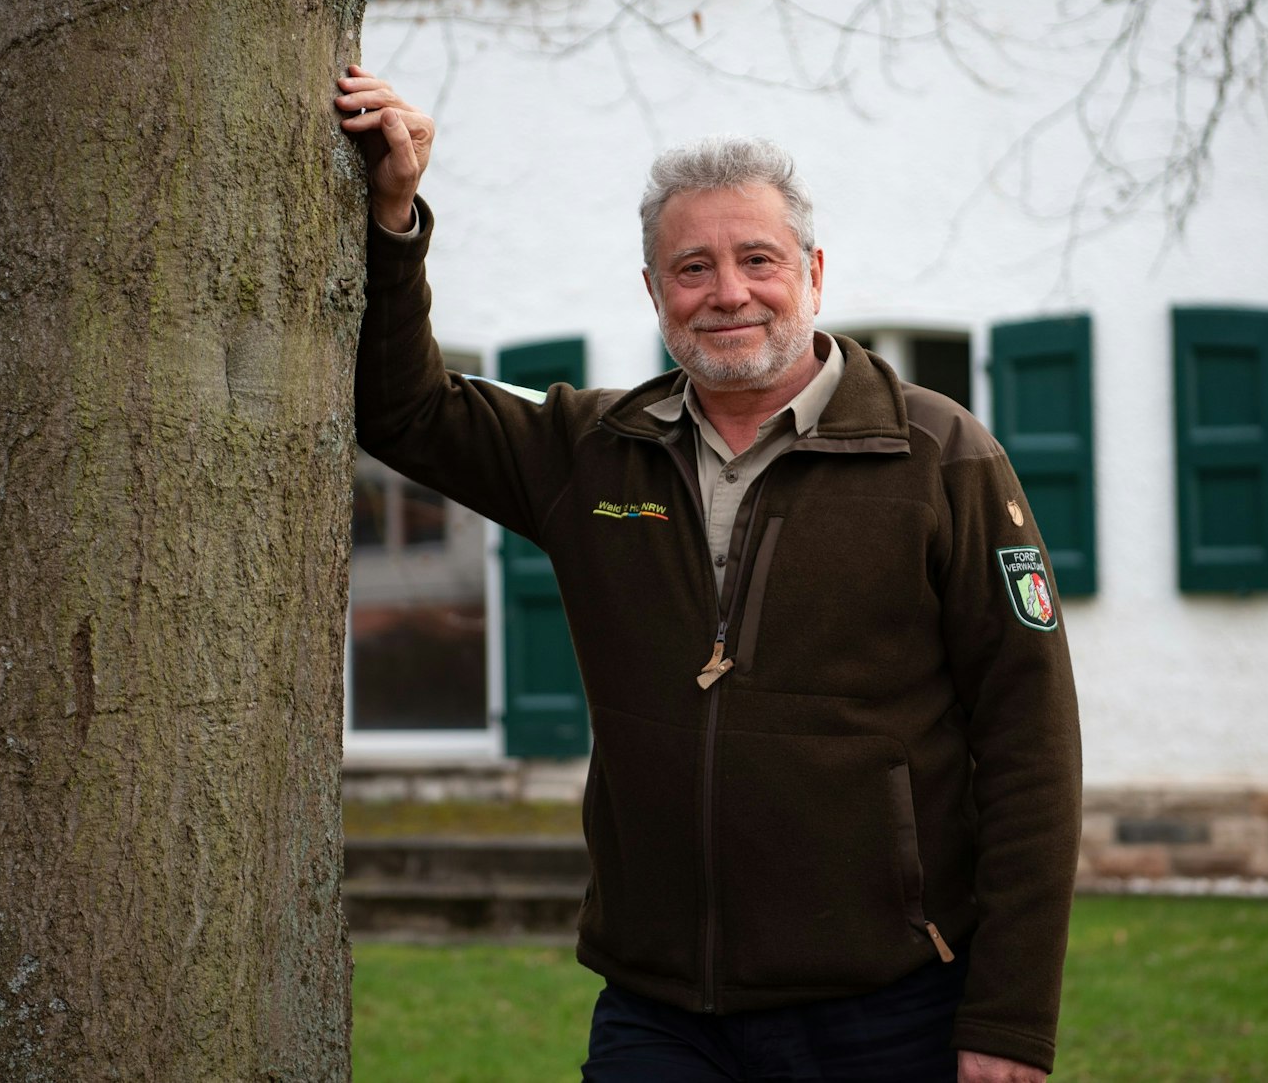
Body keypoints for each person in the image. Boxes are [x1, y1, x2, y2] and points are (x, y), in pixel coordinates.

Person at [337, 67, 1081, 1083]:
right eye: (690, 268)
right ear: (653, 293)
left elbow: (1030, 745)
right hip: (662, 1012)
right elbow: (402, 412)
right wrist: (393, 218)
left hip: (887, 1006)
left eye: (756, 259)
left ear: (812, 271)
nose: (727, 293)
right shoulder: (591, 450)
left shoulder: (939, 455)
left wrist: (1008, 1020)